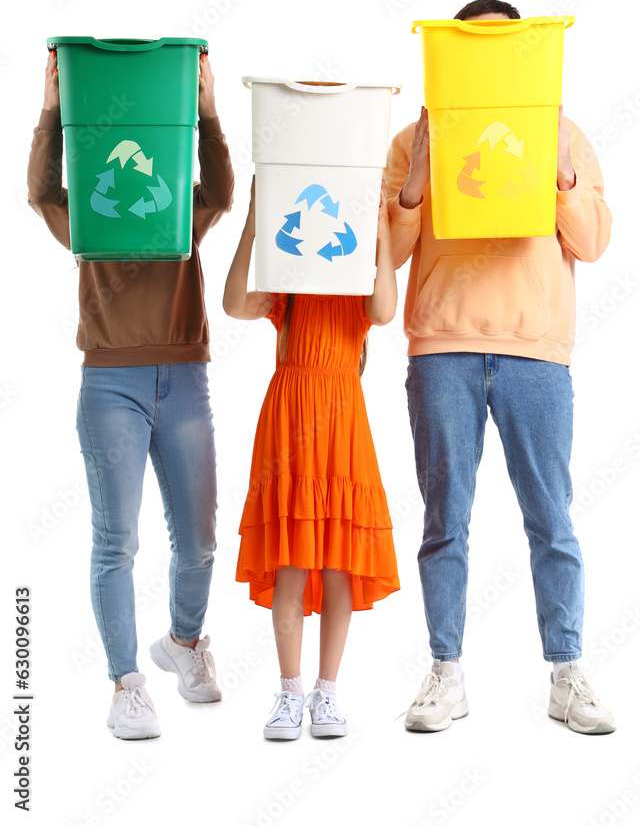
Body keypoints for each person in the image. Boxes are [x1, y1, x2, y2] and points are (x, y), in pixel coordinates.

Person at [385, 0, 616, 735]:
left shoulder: (563, 132)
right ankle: (444, 672)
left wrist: (557, 169)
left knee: (550, 517)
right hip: (441, 348)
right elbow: (382, 256)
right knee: (443, 520)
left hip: (534, 351)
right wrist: (415, 181)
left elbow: (592, 241)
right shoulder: (410, 137)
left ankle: (566, 672)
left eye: (500, 50)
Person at [27, 49, 234, 739]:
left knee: (199, 539)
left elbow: (223, 192)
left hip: (184, 377)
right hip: (108, 382)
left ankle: (182, 643)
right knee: (116, 540)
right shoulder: (89, 216)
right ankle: (126, 683)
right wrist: (54, 110)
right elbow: (40, 194)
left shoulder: (180, 212)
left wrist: (205, 113)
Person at [223, 177, 400, 739]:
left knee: (337, 561)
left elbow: (387, 308)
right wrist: (254, 223)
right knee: (293, 561)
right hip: (291, 424)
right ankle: (289, 691)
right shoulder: (290, 284)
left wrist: (379, 230)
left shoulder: (355, 290)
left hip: (342, 422)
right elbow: (232, 303)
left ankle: (327, 692)